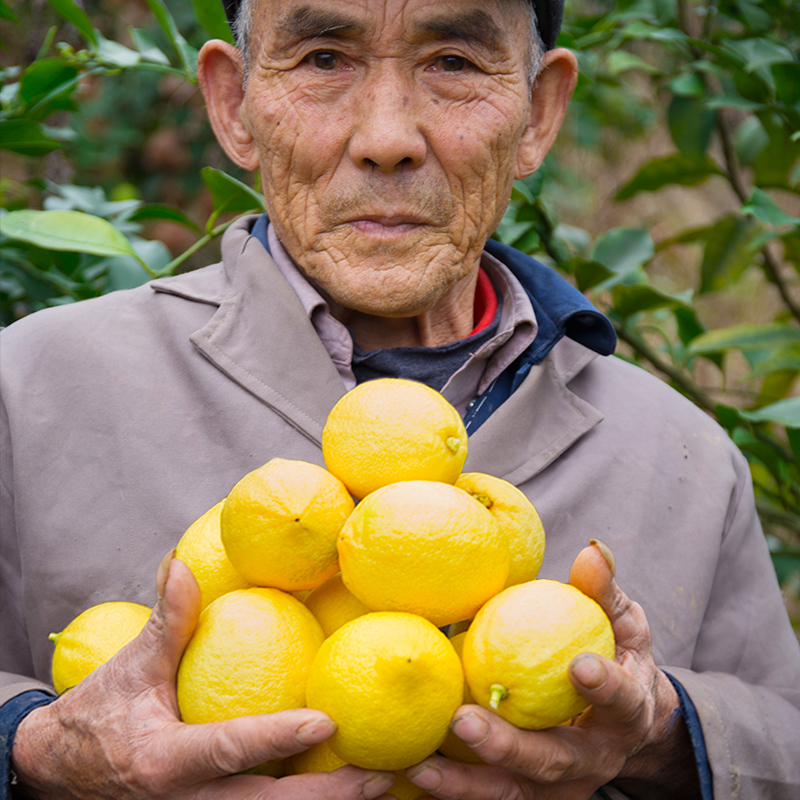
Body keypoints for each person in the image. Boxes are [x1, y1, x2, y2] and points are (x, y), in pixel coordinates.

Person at [1, 0, 798, 797]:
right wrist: (35, 749)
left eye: (452, 63)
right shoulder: (31, 386)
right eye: (322, 59)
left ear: (538, 114)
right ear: (232, 105)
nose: (387, 140)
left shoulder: (680, 454)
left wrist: (662, 734)